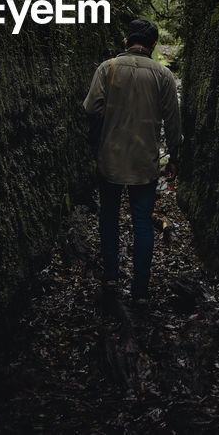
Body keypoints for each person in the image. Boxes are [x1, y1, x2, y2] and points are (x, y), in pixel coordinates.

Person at [83, 19, 182, 304]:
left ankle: (112, 276)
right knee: (141, 222)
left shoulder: (107, 68)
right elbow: (173, 123)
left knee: (109, 216)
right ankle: (140, 290)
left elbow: (90, 107)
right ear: (152, 46)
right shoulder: (162, 75)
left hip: (110, 158)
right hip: (144, 162)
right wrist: (175, 156)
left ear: (126, 42)